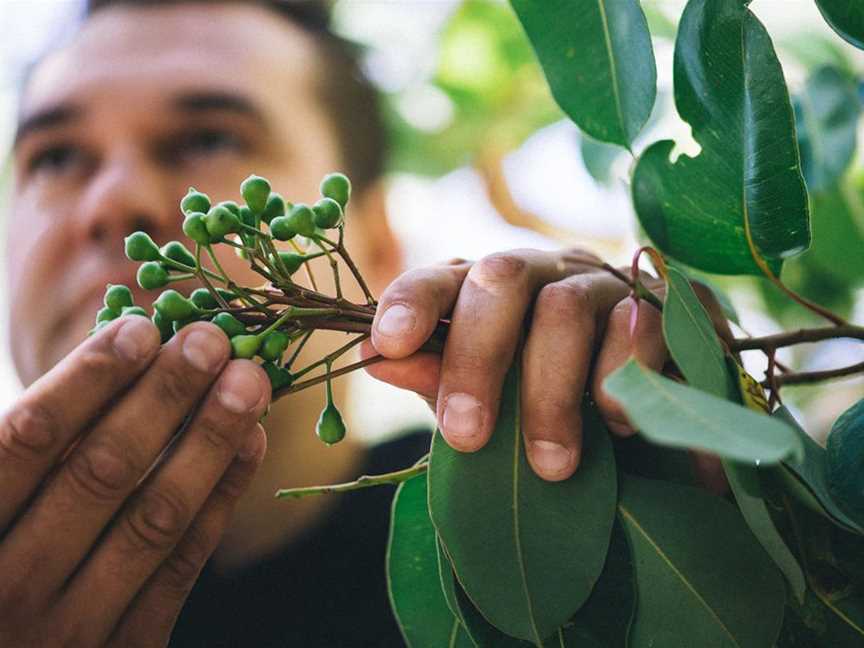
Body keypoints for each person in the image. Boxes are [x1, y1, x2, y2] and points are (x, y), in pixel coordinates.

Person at [2, 1, 728, 646]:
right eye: (56, 155)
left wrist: (665, 455)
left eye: (209, 139)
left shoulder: (502, 537)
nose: (115, 201)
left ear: (375, 244)